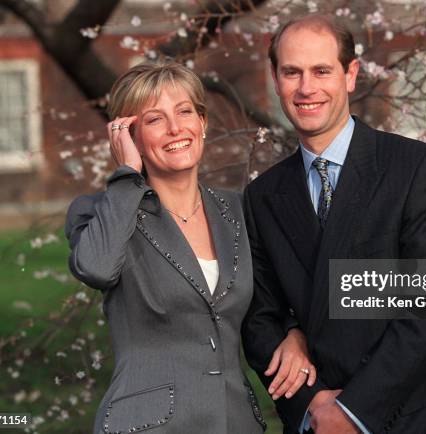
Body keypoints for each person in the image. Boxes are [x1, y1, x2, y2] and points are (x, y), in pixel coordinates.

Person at [242, 14, 426, 434]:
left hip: (416, 416)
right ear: (276, 80)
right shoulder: (263, 196)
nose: (306, 88)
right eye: (291, 72)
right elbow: (260, 318)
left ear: (350, 75)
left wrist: (351, 412)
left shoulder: (416, 169)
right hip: (316, 419)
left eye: (321, 71)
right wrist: (311, 404)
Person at [65, 60, 315, 434]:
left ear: (202, 122)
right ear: (129, 136)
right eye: (154, 120)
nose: (175, 128)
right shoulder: (102, 213)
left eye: (185, 112)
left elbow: (274, 299)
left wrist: (295, 333)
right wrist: (127, 177)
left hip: (236, 421)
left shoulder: (237, 209)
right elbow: (96, 267)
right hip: (147, 425)